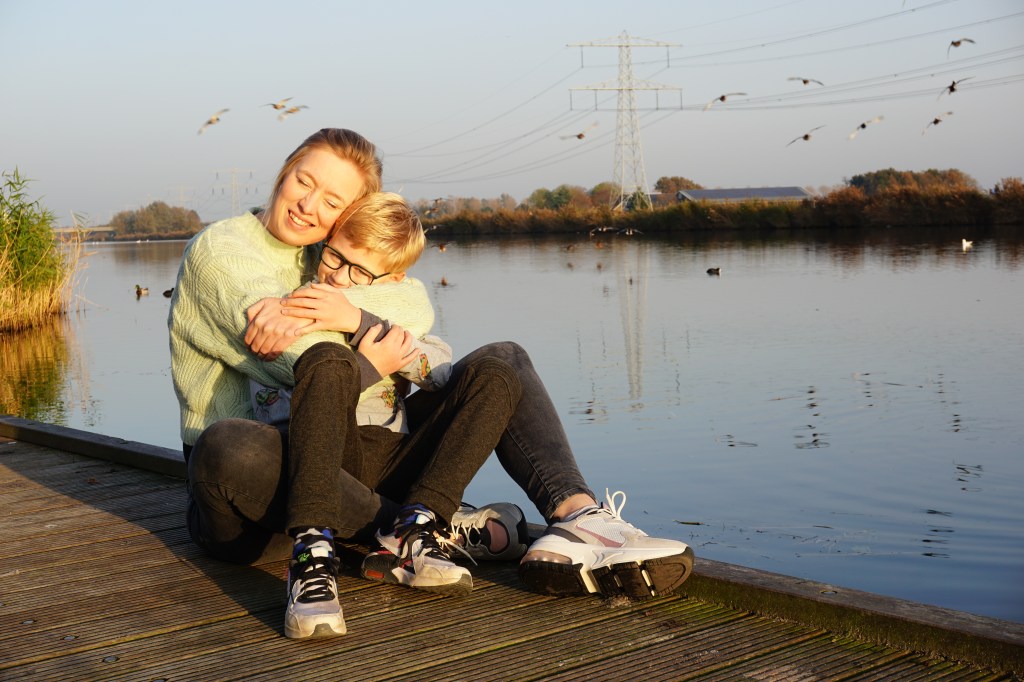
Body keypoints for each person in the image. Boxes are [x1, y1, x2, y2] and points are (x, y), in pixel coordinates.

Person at [170, 128, 694, 642]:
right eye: (304, 181)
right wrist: (370, 350)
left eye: (332, 201)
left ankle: (578, 517)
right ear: (285, 171)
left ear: (351, 216)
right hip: (256, 498)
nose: (309, 206)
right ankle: (428, 529)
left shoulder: (325, 250)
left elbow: (414, 303)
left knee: (503, 361)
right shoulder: (224, 252)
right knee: (230, 446)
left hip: (354, 454)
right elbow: (303, 360)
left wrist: (350, 314)